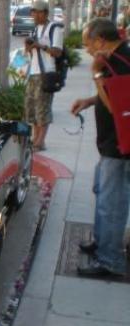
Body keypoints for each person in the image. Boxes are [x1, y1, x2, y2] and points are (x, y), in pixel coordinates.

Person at [71, 18, 130, 278]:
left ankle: (110, 261)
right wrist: (89, 100)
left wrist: (96, 73)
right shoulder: (119, 57)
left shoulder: (117, 62)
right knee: (102, 193)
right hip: (112, 144)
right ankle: (101, 242)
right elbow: (116, 95)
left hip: (119, 148)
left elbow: (115, 107)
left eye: (88, 44)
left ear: (100, 41)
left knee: (112, 203)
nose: (87, 50)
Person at [24, 0, 64, 151]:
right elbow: (31, 51)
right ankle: (36, 138)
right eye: (33, 12)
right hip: (33, 73)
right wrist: (28, 46)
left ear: (45, 13)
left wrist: (40, 45)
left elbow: (57, 52)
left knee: (43, 109)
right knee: (32, 109)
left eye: (36, 12)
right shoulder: (35, 29)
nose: (33, 15)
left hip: (46, 73)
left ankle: (40, 142)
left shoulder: (54, 28)